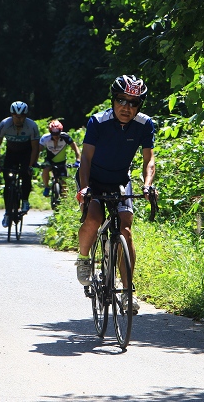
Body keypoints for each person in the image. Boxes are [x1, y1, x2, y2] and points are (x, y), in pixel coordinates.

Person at [75, 75, 157, 315]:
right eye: (122, 100)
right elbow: (86, 158)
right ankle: (83, 259)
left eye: (133, 102)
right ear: (113, 100)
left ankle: (128, 290)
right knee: (93, 218)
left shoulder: (145, 124)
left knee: (125, 229)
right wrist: (85, 188)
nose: (127, 107)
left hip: (121, 180)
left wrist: (147, 185)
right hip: (94, 180)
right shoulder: (98, 122)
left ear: (139, 105)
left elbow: (148, 159)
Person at [0, 101, 40, 227]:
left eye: (21, 117)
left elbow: (35, 148)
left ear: (25, 116)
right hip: (11, 153)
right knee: (8, 182)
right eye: (16, 117)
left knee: (26, 174)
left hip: (26, 153)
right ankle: (8, 212)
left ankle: (25, 200)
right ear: (12, 115)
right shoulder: (4, 124)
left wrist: (31, 165)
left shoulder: (32, 126)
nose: (18, 120)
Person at [39, 120, 81, 197]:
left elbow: (76, 149)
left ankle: (64, 202)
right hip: (49, 160)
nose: (56, 136)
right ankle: (46, 187)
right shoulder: (45, 138)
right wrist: (36, 161)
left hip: (61, 162)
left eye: (57, 134)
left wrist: (78, 160)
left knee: (64, 183)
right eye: (53, 134)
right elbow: (38, 150)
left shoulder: (65, 137)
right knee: (45, 169)